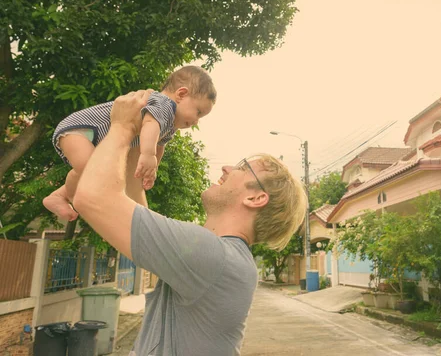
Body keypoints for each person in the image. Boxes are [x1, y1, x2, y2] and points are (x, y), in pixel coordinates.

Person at [72, 90, 307, 356]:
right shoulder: (220, 258)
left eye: (243, 167)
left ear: (256, 197)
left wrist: (122, 126)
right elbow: (136, 216)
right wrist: (140, 151)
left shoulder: (213, 255)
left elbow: (93, 198)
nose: (226, 168)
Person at [43, 66, 216, 222]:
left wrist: (152, 167)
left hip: (95, 138)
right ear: (181, 94)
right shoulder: (165, 105)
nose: (196, 121)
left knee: (94, 170)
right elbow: (150, 125)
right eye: (198, 112)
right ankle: (68, 195)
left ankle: (62, 195)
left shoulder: (171, 125)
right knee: (90, 169)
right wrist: (147, 155)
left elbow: (159, 145)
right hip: (82, 128)